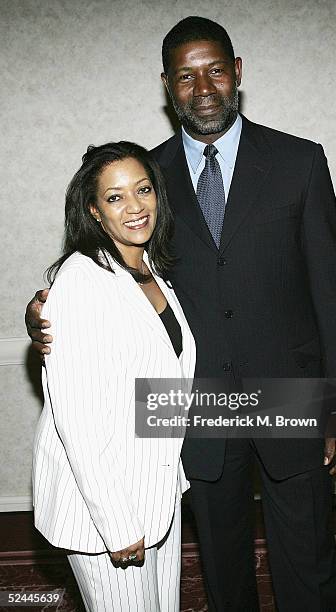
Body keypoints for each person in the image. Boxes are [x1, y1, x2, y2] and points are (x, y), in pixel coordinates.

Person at [26, 17, 336, 612]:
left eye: (213, 70)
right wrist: (46, 306)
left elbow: (334, 292)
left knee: (309, 560)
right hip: (195, 407)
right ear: (167, 86)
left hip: (290, 395)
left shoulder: (300, 161)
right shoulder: (146, 179)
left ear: (237, 73)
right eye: (185, 76)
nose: (201, 87)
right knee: (222, 565)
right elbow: (104, 259)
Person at [32, 141, 196, 612]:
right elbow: (78, 421)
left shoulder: (149, 271)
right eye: (115, 197)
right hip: (108, 510)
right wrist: (118, 522)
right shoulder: (82, 281)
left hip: (157, 490)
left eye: (143, 190)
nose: (135, 207)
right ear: (94, 211)